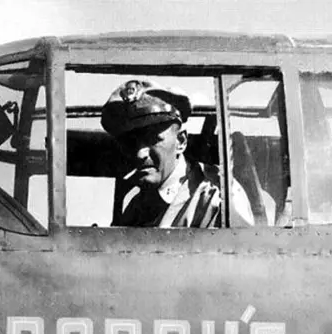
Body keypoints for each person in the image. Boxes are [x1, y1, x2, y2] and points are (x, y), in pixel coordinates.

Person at [101, 80, 254, 228]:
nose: (140, 154)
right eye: (132, 143)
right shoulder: (136, 207)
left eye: (152, 139)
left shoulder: (218, 197)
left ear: (180, 142)